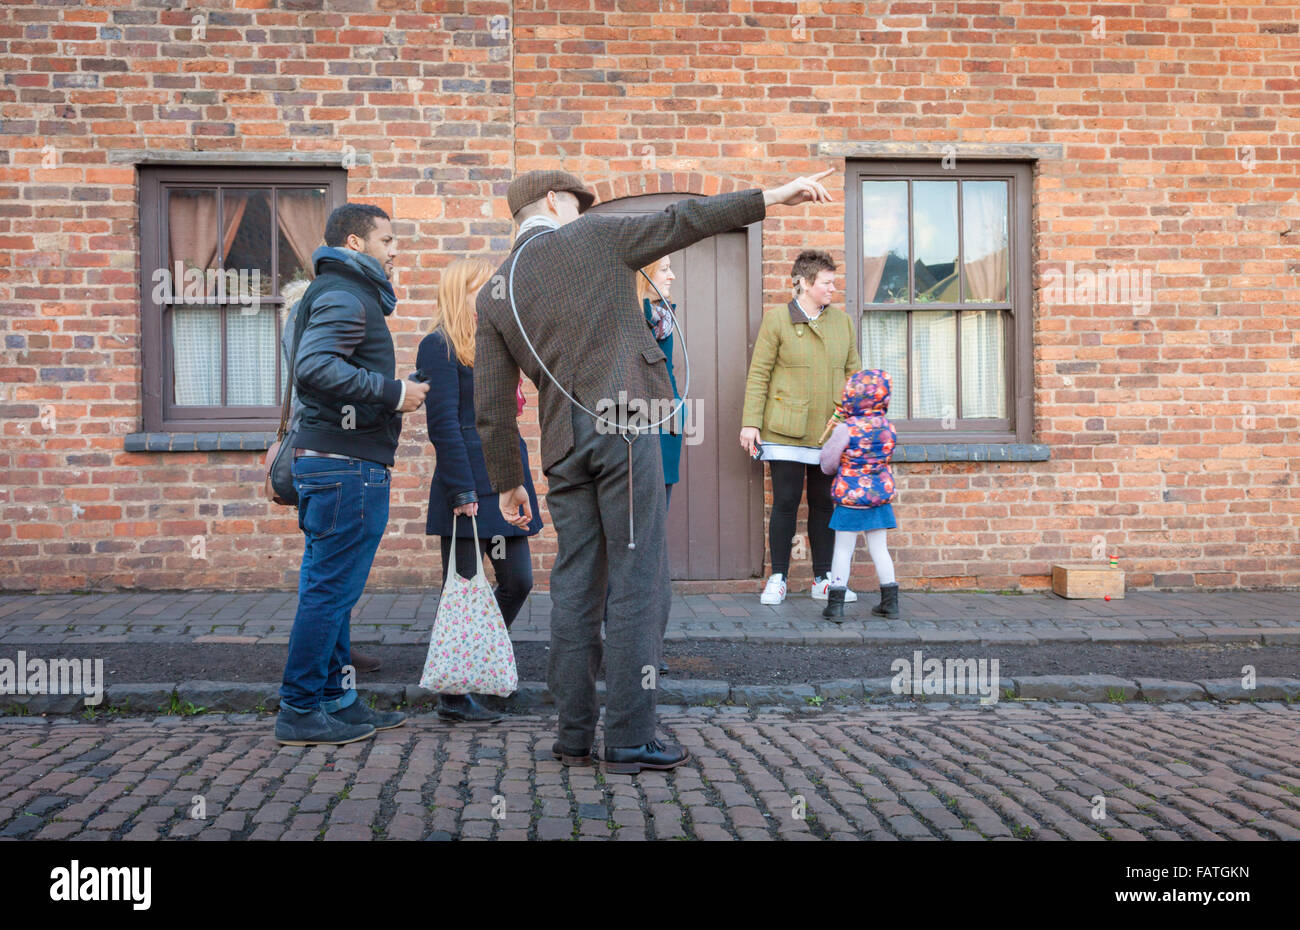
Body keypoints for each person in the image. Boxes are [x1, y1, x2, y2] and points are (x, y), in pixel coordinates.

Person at [474, 166, 835, 774]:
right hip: (625, 418)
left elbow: (489, 403)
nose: (582, 212)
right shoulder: (590, 237)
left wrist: (509, 481)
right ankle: (629, 736)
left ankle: (572, 735)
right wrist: (772, 196)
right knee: (638, 577)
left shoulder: (493, 292)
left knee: (575, 585)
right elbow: (682, 220)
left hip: (562, 442)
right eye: (577, 203)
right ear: (554, 201)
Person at [274, 203, 430, 747]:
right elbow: (315, 367)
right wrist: (394, 392)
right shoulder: (344, 293)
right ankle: (298, 708)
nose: (395, 251)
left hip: (340, 464)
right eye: (387, 240)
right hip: (345, 468)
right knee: (328, 594)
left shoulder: (344, 292)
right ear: (355, 243)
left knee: (332, 593)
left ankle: (337, 700)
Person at [417, 257, 543, 723]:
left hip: (505, 478)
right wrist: (460, 491)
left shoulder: (493, 340)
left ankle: (480, 663)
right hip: (467, 484)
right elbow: (444, 425)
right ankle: (453, 695)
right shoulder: (438, 346)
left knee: (519, 581)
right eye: (483, 286)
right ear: (461, 291)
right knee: (464, 587)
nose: (493, 293)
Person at [739, 250, 861, 607]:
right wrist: (750, 422)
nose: (833, 289)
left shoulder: (843, 323)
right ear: (805, 283)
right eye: (827, 283)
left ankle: (823, 579)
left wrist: (854, 419)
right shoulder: (777, 320)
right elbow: (759, 373)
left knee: (824, 504)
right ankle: (778, 578)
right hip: (785, 430)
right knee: (786, 502)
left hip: (829, 431)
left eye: (833, 282)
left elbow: (854, 375)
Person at [279, 278, 383, 677]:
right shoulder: (324, 310)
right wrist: (390, 392)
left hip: (313, 451)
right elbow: (319, 377)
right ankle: (313, 676)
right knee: (328, 579)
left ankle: (334, 655)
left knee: (321, 571)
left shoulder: (306, 313)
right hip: (331, 452)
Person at [818, 369, 900, 622]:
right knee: (880, 549)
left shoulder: (846, 428)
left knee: (843, 550)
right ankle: (890, 604)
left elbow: (827, 463)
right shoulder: (888, 427)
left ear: (851, 396)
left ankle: (836, 606)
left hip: (850, 499)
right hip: (878, 498)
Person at [638, 255, 682, 509]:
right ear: (644, 273)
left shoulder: (664, 316)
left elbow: (667, 372)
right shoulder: (630, 316)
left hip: (665, 420)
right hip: (630, 420)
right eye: (664, 269)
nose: (672, 276)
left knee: (658, 512)